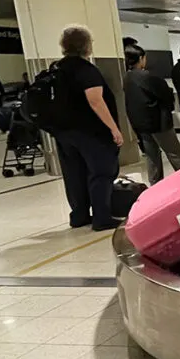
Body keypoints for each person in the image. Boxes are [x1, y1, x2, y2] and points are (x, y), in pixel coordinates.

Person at [53, 26, 124, 231]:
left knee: (74, 174)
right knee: (101, 172)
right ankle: (102, 217)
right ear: (86, 45)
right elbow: (95, 101)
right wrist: (114, 128)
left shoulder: (57, 68)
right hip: (91, 132)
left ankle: (79, 215)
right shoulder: (86, 70)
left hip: (64, 133)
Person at [124, 45, 180, 185]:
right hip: (158, 122)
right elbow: (166, 95)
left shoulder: (127, 77)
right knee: (174, 154)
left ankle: (155, 187)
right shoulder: (148, 77)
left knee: (152, 158)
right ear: (141, 58)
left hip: (141, 124)